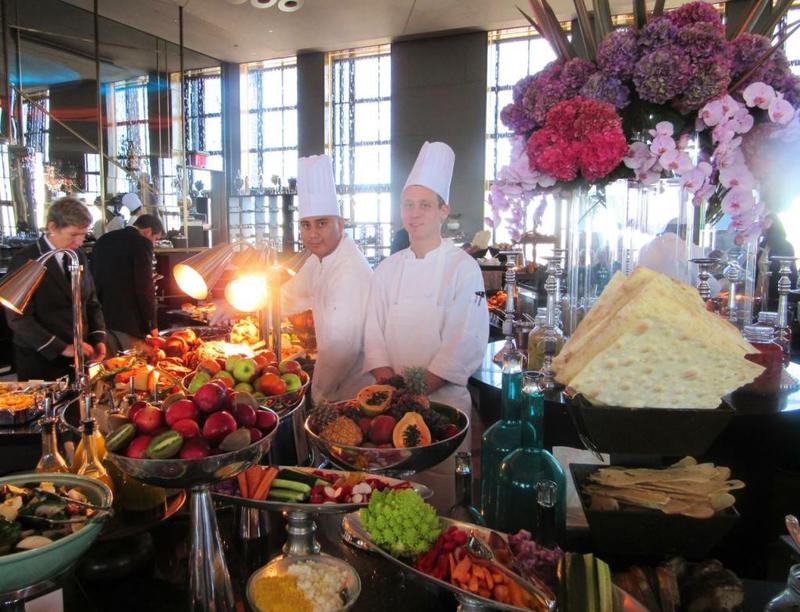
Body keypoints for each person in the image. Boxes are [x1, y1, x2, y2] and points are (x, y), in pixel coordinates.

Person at [364, 141, 489, 430]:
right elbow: (372, 335)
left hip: (445, 409)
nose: (414, 213)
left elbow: (464, 342)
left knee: (441, 475)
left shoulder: (463, 268)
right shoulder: (386, 269)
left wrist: (414, 394)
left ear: (444, 211)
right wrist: (391, 393)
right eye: (408, 205)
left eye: (425, 205)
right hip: (389, 408)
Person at [281, 154, 373, 404]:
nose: (312, 234)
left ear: (340, 225)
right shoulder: (320, 259)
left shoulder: (349, 272)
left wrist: (317, 394)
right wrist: (237, 305)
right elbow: (291, 294)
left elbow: (340, 351)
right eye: (305, 225)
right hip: (336, 385)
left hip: (351, 392)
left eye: (321, 224)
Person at [6, 197, 107, 381]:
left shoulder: (78, 255)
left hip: (79, 353)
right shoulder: (26, 259)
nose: (79, 241)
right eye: (73, 234)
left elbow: (91, 301)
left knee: (76, 407)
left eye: (84, 234)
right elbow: (18, 319)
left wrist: (98, 337)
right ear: (52, 227)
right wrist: (61, 347)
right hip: (41, 358)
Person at [91, 214, 163, 354]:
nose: (154, 243)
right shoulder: (142, 243)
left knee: (110, 366)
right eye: (155, 239)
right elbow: (144, 287)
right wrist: (152, 323)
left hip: (102, 318)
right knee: (131, 366)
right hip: (128, 322)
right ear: (147, 231)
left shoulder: (103, 239)